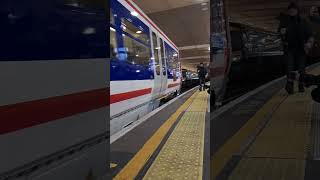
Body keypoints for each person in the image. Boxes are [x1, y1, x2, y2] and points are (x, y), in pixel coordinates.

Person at [279, 2, 314, 94]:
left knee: (301, 68)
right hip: (289, 48)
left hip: (301, 49)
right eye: (290, 10)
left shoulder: (303, 21)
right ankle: (290, 85)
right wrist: (281, 33)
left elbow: (310, 34)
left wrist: (309, 43)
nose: (292, 12)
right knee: (289, 67)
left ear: (297, 11)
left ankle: (301, 84)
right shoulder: (284, 21)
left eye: (293, 10)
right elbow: (280, 33)